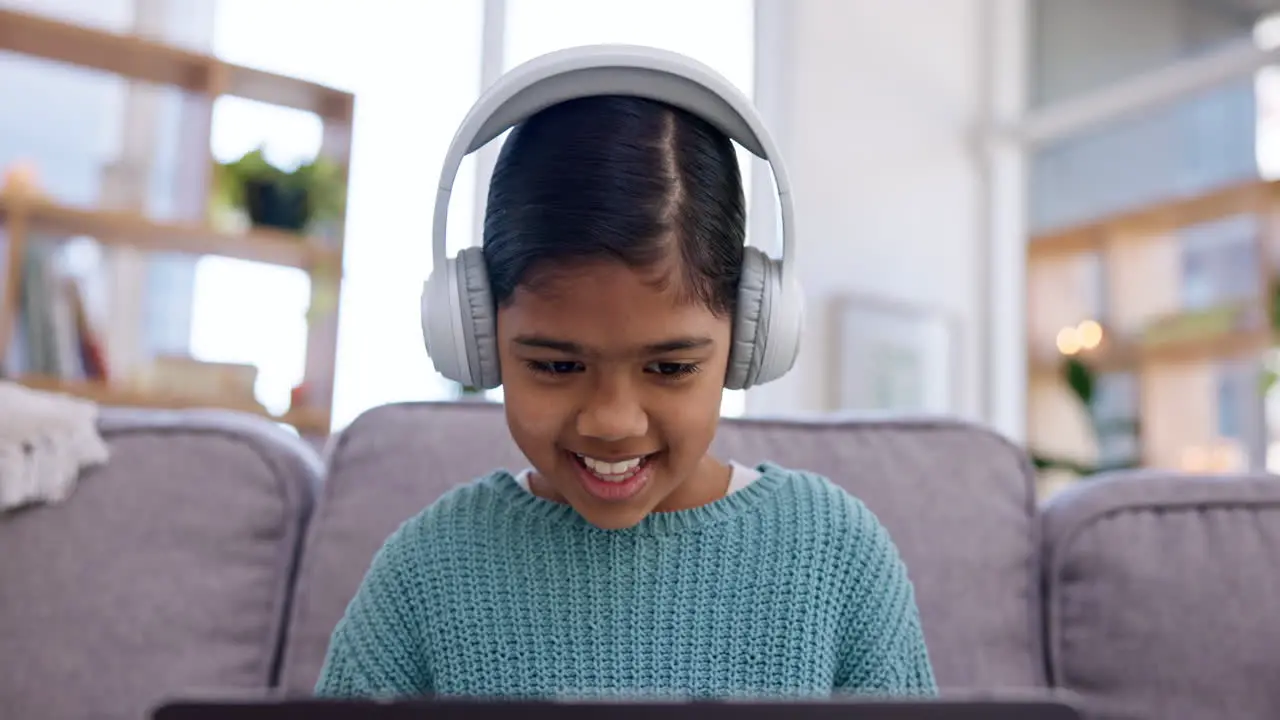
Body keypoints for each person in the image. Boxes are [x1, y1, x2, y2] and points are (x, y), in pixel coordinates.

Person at [315, 50, 936, 701]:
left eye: (670, 368)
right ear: (476, 335)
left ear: (751, 335)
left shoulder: (836, 554)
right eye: (557, 365)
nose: (612, 421)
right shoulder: (429, 570)